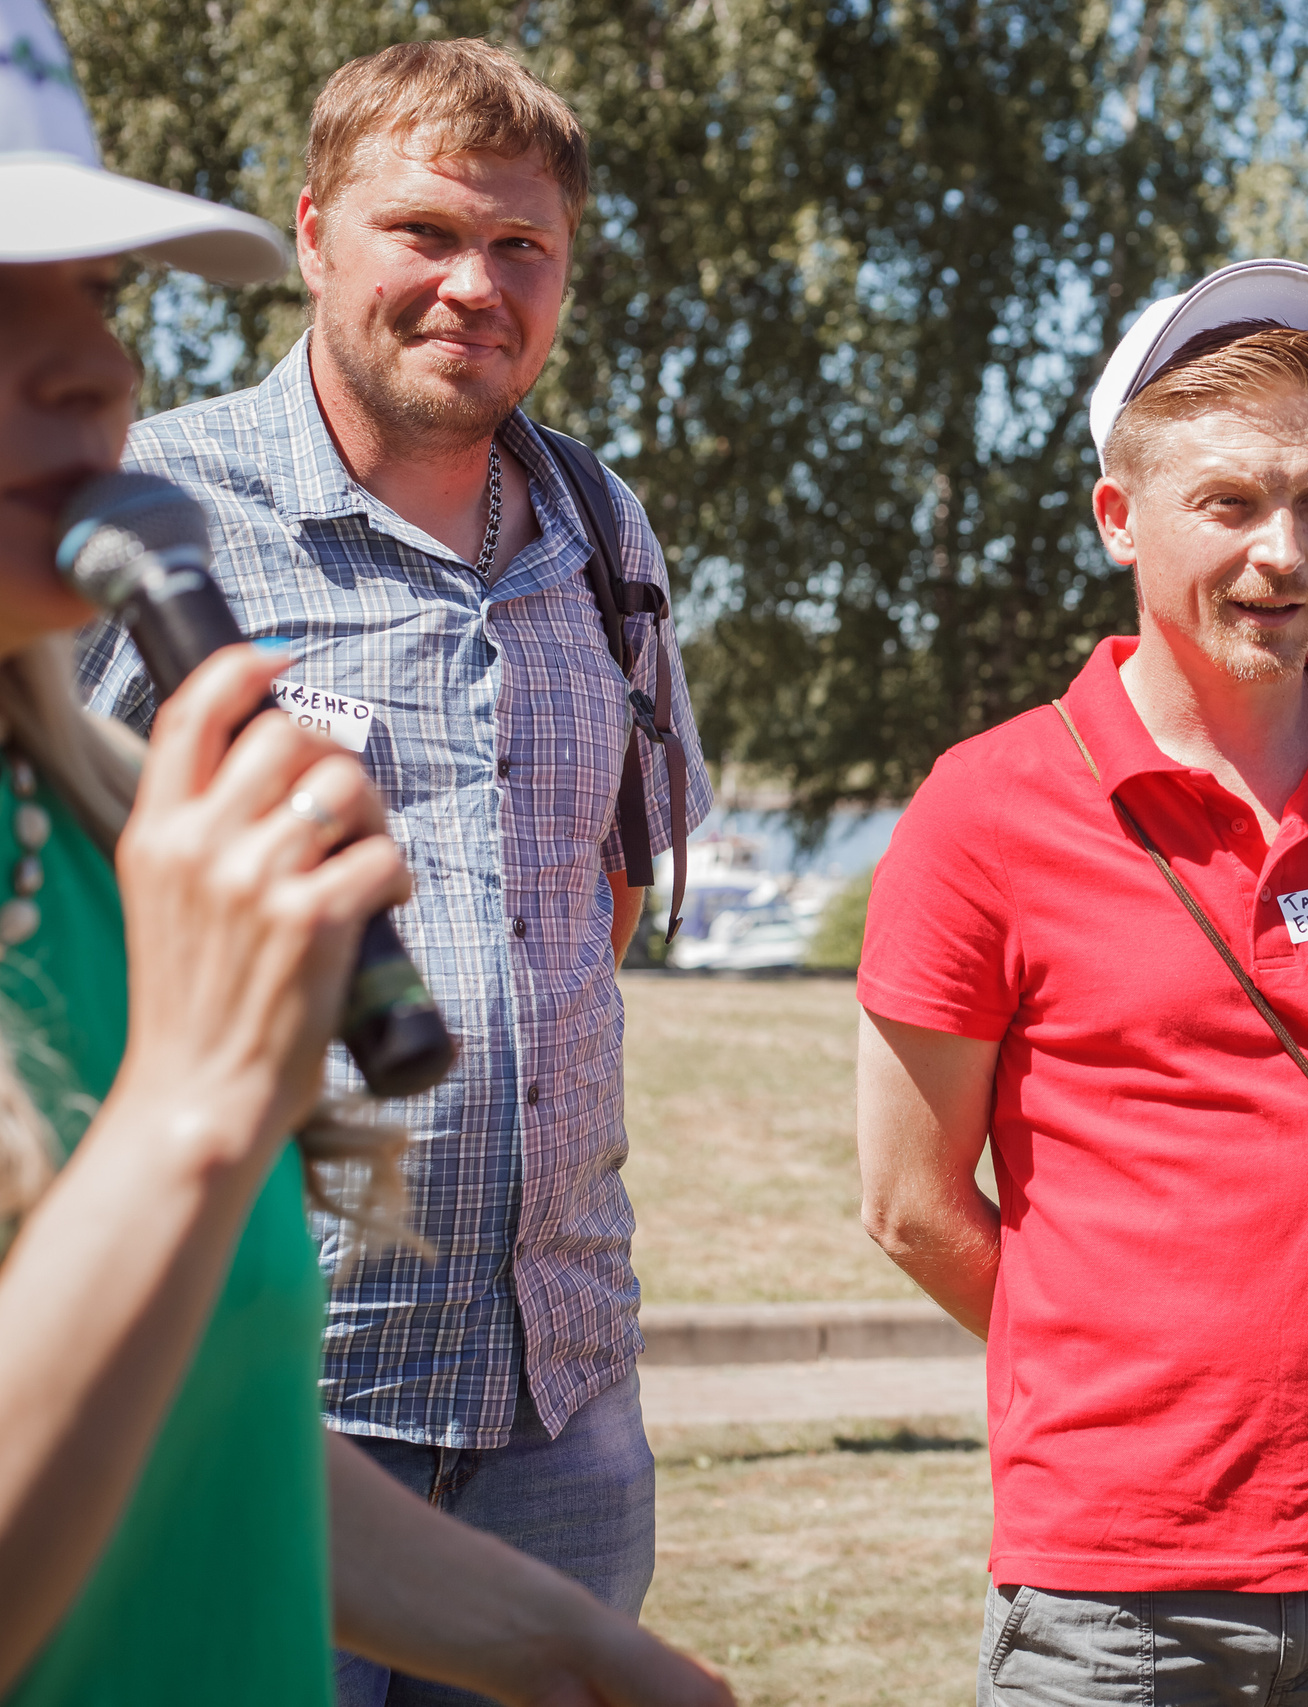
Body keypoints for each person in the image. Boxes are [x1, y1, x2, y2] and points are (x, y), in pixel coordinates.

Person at [0, 7, 729, 1703]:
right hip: (344, 1373)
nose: (91, 370)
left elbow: (597, 898)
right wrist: (200, 1093)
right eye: (427, 230)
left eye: (97, 298)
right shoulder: (170, 500)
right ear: (316, 238)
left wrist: (569, 1652)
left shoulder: (601, 533)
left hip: (550, 1398)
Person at [853, 258, 1308, 1706]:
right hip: (1112, 1586)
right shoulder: (982, 810)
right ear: (1120, 514)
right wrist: (1144, 1360)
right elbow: (913, 1204)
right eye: (1230, 503)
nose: (1282, 552)